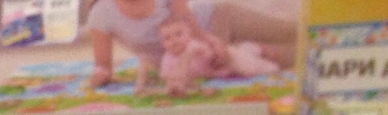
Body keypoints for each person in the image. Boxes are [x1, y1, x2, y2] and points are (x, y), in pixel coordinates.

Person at [86, 0, 295, 91]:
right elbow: (103, 65)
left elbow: (187, 20)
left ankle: (253, 49)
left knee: (291, 32)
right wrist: (100, 75)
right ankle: (255, 49)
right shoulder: (102, 13)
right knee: (288, 59)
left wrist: (211, 42)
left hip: (215, 20)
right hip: (193, 59)